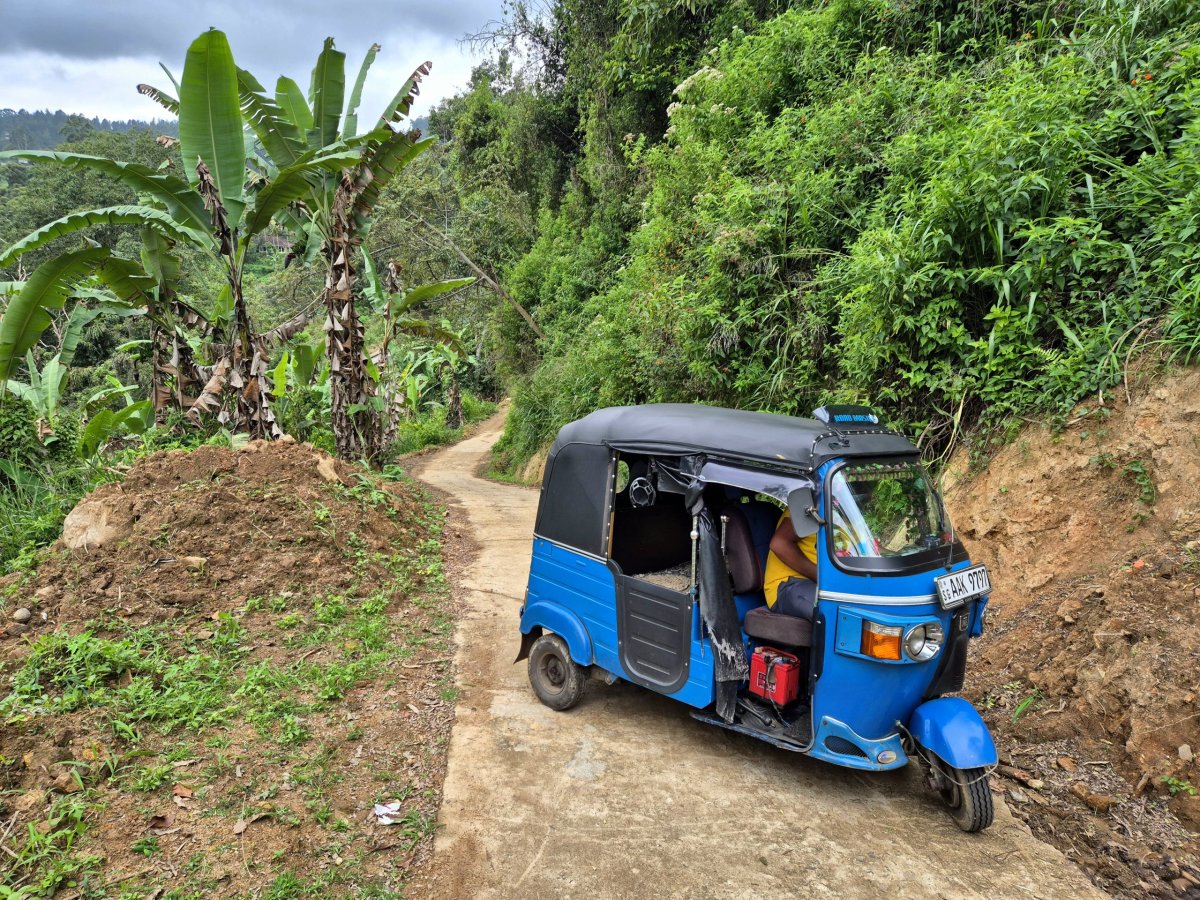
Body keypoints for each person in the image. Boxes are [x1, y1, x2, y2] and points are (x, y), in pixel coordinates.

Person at [763, 510, 818, 618]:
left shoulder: (846, 510)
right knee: (832, 610)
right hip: (787, 584)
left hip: (817, 582)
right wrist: (823, 577)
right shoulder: (810, 504)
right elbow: (779, 543)